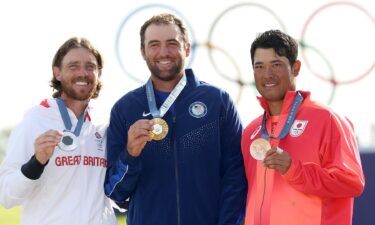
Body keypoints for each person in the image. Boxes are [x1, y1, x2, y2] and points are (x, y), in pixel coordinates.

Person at [104, 13, 247, 225]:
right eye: (154, 45)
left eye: (172, 43)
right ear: (143, 52)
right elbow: (115, 192)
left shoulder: (218, 101)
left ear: (187, 48)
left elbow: (236, 178)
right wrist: (130, 154)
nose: (163, 52)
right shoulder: (125, 109)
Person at [241, 29, 365, 225]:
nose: (267, 74)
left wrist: (295, 170)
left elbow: (352, 182)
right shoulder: (251, 131)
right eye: (259, 66)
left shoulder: (327, 119)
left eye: (276, 65)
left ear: (295, 68)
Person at [0, 37, 117, 225]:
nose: (83, 73)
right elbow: (6, 196)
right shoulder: (34, 123)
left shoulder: (105, 125)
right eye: (73, 66)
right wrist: (36, 163)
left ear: (99, 73)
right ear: (57, 73)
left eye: (90, 66)